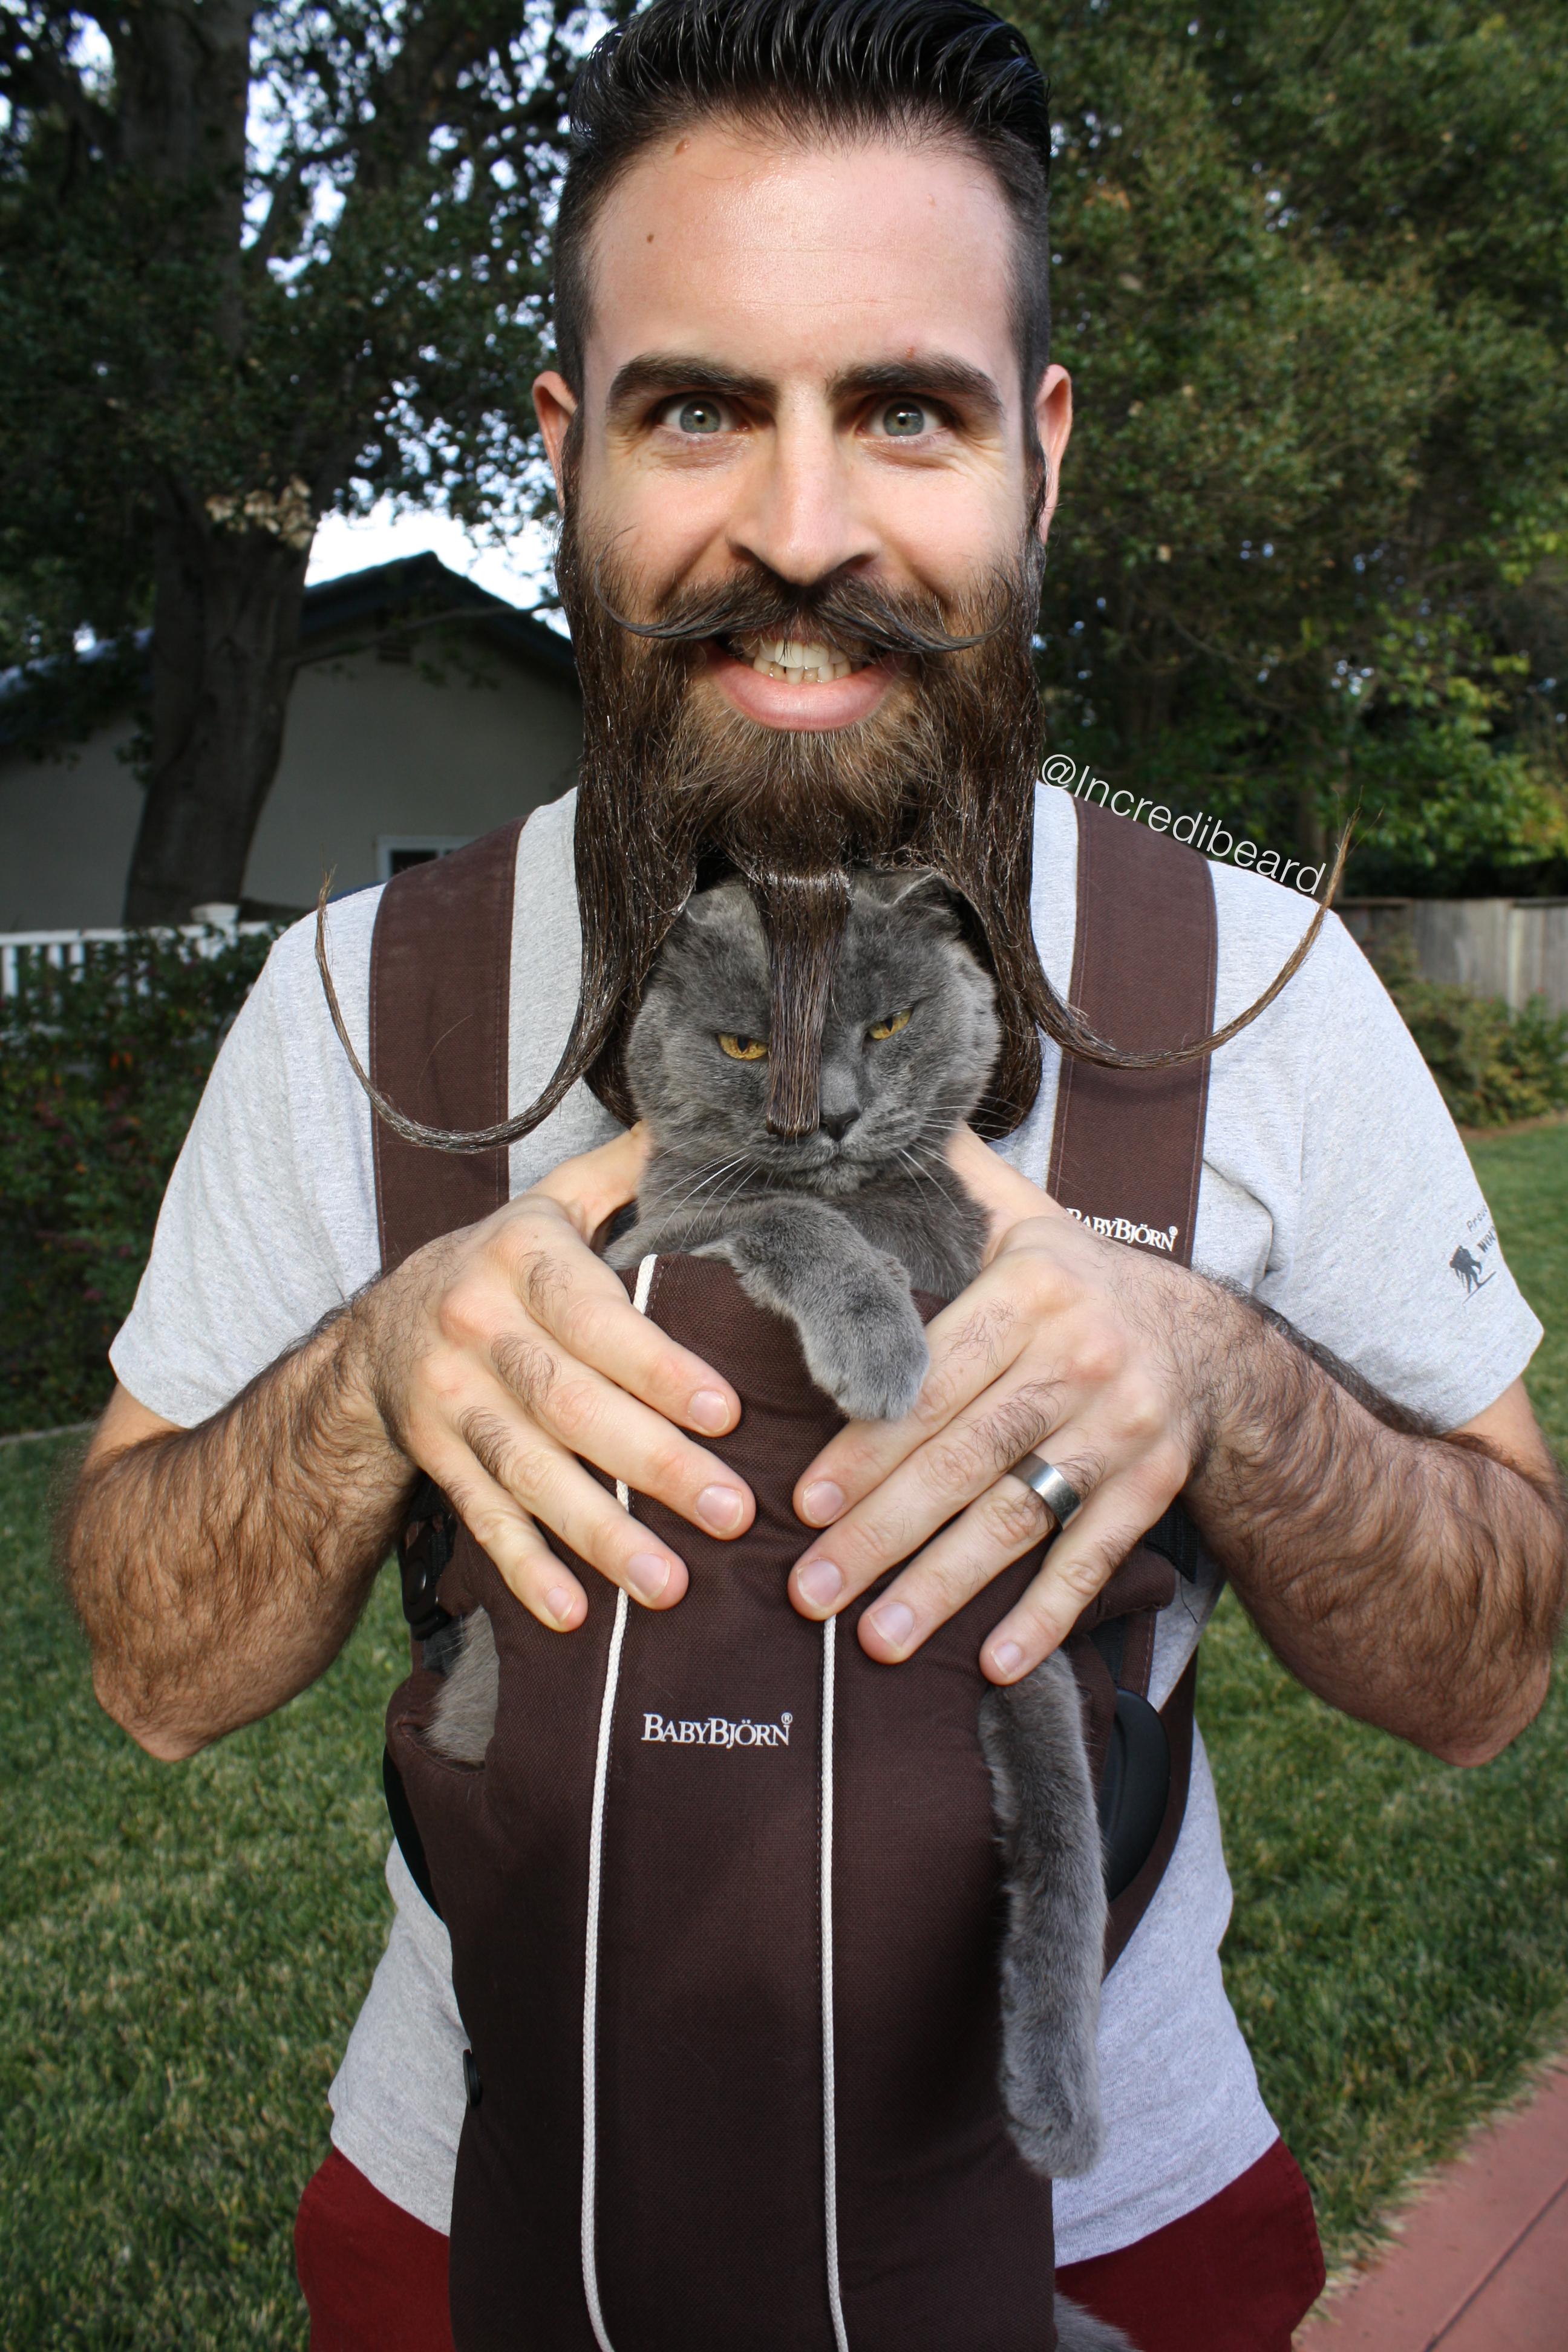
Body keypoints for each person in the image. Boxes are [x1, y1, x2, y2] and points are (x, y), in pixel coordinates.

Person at [62, 4, 1566, 2348]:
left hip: (1110, 2235)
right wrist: (374, 1374)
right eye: (696, 409)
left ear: (1038, 457)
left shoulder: (1259, 985)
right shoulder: (356, 1005)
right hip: (474, 2228)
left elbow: (1487, 1676)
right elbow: (150, 1672)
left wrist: (1221, 1382)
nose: (799, 528)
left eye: (904, 410)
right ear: (566, 452)